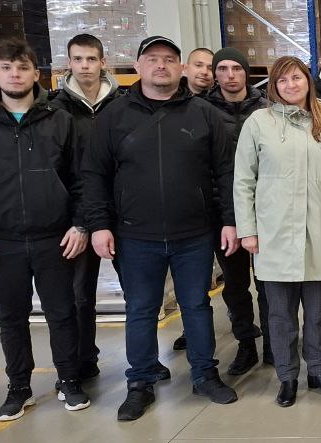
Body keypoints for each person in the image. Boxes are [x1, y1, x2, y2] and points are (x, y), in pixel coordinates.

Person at [84, 35, 240, 422]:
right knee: (140, 310)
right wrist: (100, 225)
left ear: (181, 68)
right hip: (135, 235)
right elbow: (95, 174)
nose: (161, 65)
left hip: (194, 234)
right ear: (137, 67)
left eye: (169, 59)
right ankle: (140, 382)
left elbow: (225, 172)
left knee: (197, 306)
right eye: (152, 59)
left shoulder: (203, 114)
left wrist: (230, 220)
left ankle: (205, 375)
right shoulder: (114, 117)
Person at [0, 38, 87, 420]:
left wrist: (80, 224)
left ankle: (69, 380)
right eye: (7, 68)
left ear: (35, 74)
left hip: (54, 238)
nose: (15, 75)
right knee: (11, 317)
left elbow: (81, 178)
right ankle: (19, 388)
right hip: (1, 240)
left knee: (63, 313)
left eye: (23, 67)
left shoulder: (59, 121)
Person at [233, 56, 321, 406]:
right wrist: (248, 230)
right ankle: (287, 377)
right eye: (283, 80)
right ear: (274, 86)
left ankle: (317, 371)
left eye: (297, 78)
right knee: (280, 314)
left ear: (308, 81)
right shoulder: (259, 123)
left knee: (318, 313)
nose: (291, 85)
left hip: (316, 230)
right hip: (273, 233)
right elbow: (243, 180)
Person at [50, 33, 123, 382]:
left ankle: (146, 363)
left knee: (138, 292)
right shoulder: (55, 110)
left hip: (121, 212)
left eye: (91, 59)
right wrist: (80, 221)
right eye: (78, 59)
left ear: (103, 63)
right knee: (80, 295)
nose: (85, 66)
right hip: (77, 216)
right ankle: (83, 360)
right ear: (69, 64)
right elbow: (57, 169)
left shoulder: (122, 105)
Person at [196, 46, 269, 374]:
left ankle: (274, 343)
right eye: (222, 69)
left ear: (246, 73)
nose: (230, 75)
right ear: (215, 74)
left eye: (236, 69)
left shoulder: (266, 107)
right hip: (223, 211)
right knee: (236, 284)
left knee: (268, 281)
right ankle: (246, 344)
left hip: (265, 208)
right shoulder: (202, 110)